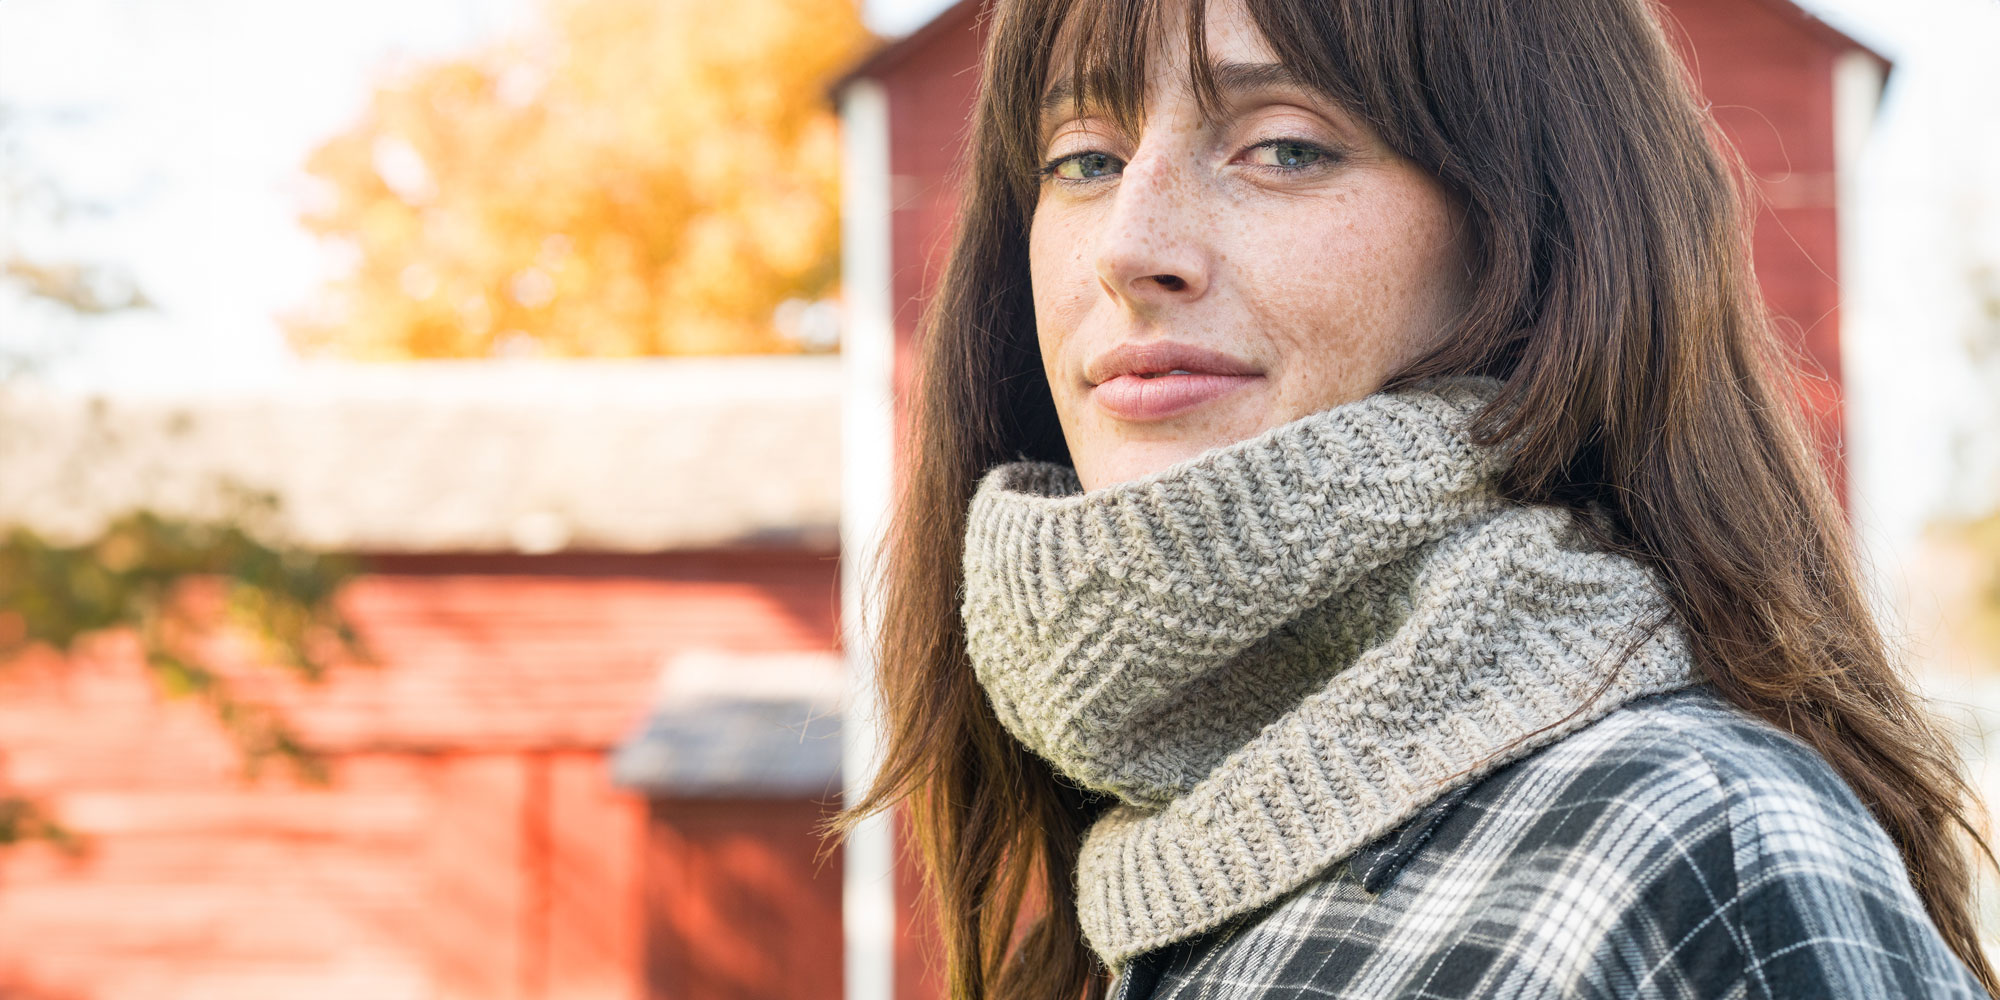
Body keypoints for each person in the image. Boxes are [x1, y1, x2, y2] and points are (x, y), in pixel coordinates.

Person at [836, 0, 2000, 997]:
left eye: (1284, 147)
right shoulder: (1148, 864)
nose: (1127, 246)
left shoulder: (1694, 849)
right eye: (1082, 159)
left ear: (1534, 239)